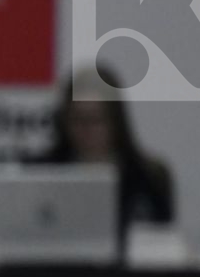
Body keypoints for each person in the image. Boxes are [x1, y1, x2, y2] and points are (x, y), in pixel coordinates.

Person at [33, 65, 175, 233]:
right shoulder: (40, 175)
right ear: (64, 121)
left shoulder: (148, 178)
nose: (86, 129)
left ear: (116, 121)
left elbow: (162, 245)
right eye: (78, 119)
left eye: (96, 119)